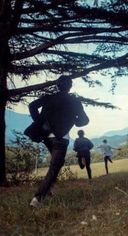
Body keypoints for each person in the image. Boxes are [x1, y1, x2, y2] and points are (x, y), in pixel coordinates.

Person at [28, 75, 89, 208]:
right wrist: (74, 121)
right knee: (54, 168)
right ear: (70, 87)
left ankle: (50, 188)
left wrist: (40, 122)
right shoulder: (75, 101)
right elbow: (84, 120)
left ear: (57, 86)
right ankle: (37, 199)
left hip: (46, 136)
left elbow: (32, 106)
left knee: (55, 165)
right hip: (61, 138)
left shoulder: (49, 98)